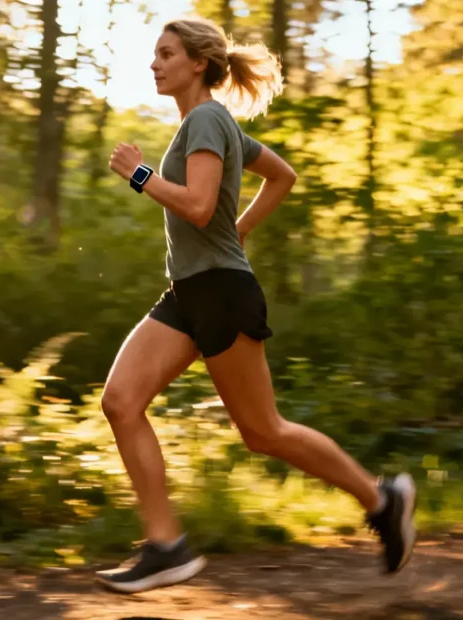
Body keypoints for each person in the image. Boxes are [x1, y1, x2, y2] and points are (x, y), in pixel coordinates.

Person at [95, 15, 417, 594]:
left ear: (198, 63)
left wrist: (140, 174)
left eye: (166, 53)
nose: (154, 63)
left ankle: (382, 498)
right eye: (154, 54)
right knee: (120, 401)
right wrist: (239, 228)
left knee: (263, 431)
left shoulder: (210, 119)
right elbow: (282, 176)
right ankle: (166, 546)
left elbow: (196, 206)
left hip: (220, 291)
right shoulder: (207, 126)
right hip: (189, 292)